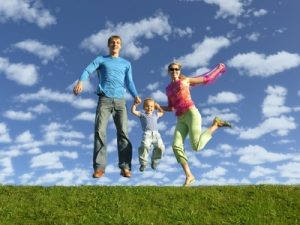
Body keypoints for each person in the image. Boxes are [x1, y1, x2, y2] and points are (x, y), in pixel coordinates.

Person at [73, 35, 141, 179]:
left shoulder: (126, 63)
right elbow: (87, 70)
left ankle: (125, 167)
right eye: (112, 43)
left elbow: (129, 82)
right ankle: (99, 168)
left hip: (120, 101)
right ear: (108, 45)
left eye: (117, 43)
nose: (115, 44)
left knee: (123, 133)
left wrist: (135, 95)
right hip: (104, 100)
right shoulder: (101, 59)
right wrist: (80, 81)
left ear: (120, 46)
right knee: (99, 131)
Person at [161, 62, 232, 186]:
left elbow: (207, 78)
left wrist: (218, 69)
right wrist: (158, 106)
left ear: (179, 70)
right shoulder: (168, 89)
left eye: (176, 69)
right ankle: (189, 175)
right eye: (171, 69)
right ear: (168, 72)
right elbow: (171, 107)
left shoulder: (186, 81)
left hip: (191, 113)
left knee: (196, 146)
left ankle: (215, 125)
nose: (174, 71)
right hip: (180, 118)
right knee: (176, 146)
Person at [131, 98, 165, 172]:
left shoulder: (156, 114)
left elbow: (162, 113)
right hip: (147, 133)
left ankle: (155, 161)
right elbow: (133, 111)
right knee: (144, 146)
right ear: (144, 107)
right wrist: (134, 105)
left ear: (154, 107)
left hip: (156, 134)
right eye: (147, 106)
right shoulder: (142, 114)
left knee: (160, 147)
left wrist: (158, 107)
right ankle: (143, 163)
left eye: (151, 106)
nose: (149, 108)